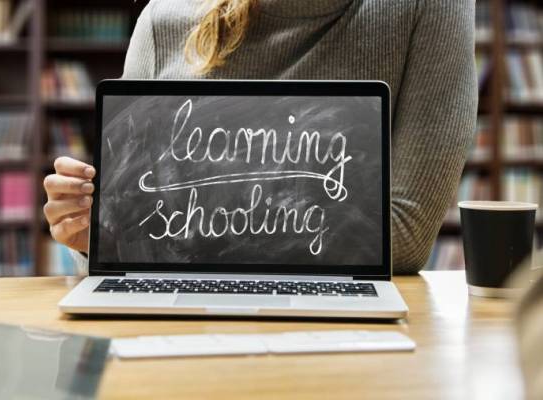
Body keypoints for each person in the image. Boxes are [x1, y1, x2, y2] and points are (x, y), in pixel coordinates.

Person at [43, 0, 478, 274]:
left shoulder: (429, 7)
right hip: (175, 330)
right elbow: (128, 227)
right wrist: (94, 230)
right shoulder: (163, 18)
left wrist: (166, 239)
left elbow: (404, 232)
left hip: (345, 342)